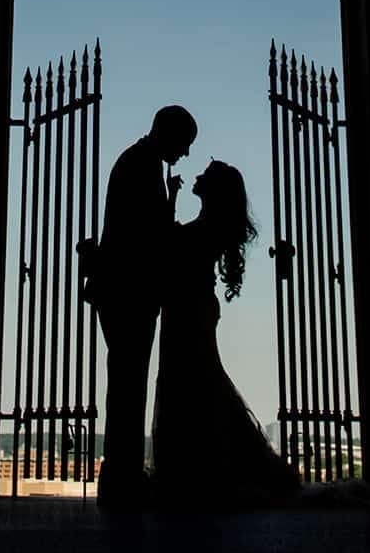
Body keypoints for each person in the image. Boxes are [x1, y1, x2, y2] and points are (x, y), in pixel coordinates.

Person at [148, 160, 302, 509]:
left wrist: (168, 203)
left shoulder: (208, 226)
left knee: (189, 381)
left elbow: (172, 246)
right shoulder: (213, 225)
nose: (198, 176)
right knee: (198, 381)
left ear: (214, 189)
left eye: (206, 174)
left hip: (189, 311)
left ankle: (193, 468)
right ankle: (204, 464)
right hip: (190, 309)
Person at [90, 105, 196, 508]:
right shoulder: (141, 165)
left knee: (126, 380)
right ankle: (121, 478)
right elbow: (147, 235)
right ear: (168, 133)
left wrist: (168, 199)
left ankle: (121, 475)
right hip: (129, 290)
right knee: (128, 381)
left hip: (122, 288)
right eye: (184, 143)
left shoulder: (138, 162)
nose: (185, 153)